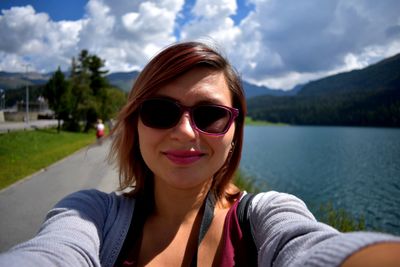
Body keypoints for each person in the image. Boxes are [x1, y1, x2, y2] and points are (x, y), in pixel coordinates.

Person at [1, 41, 399, 266]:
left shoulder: (264, 218)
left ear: (234, 131)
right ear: (136, 123)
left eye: (210, 115)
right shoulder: (90, 215)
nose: (185, 131)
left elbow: (309, 248)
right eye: (160, 112)